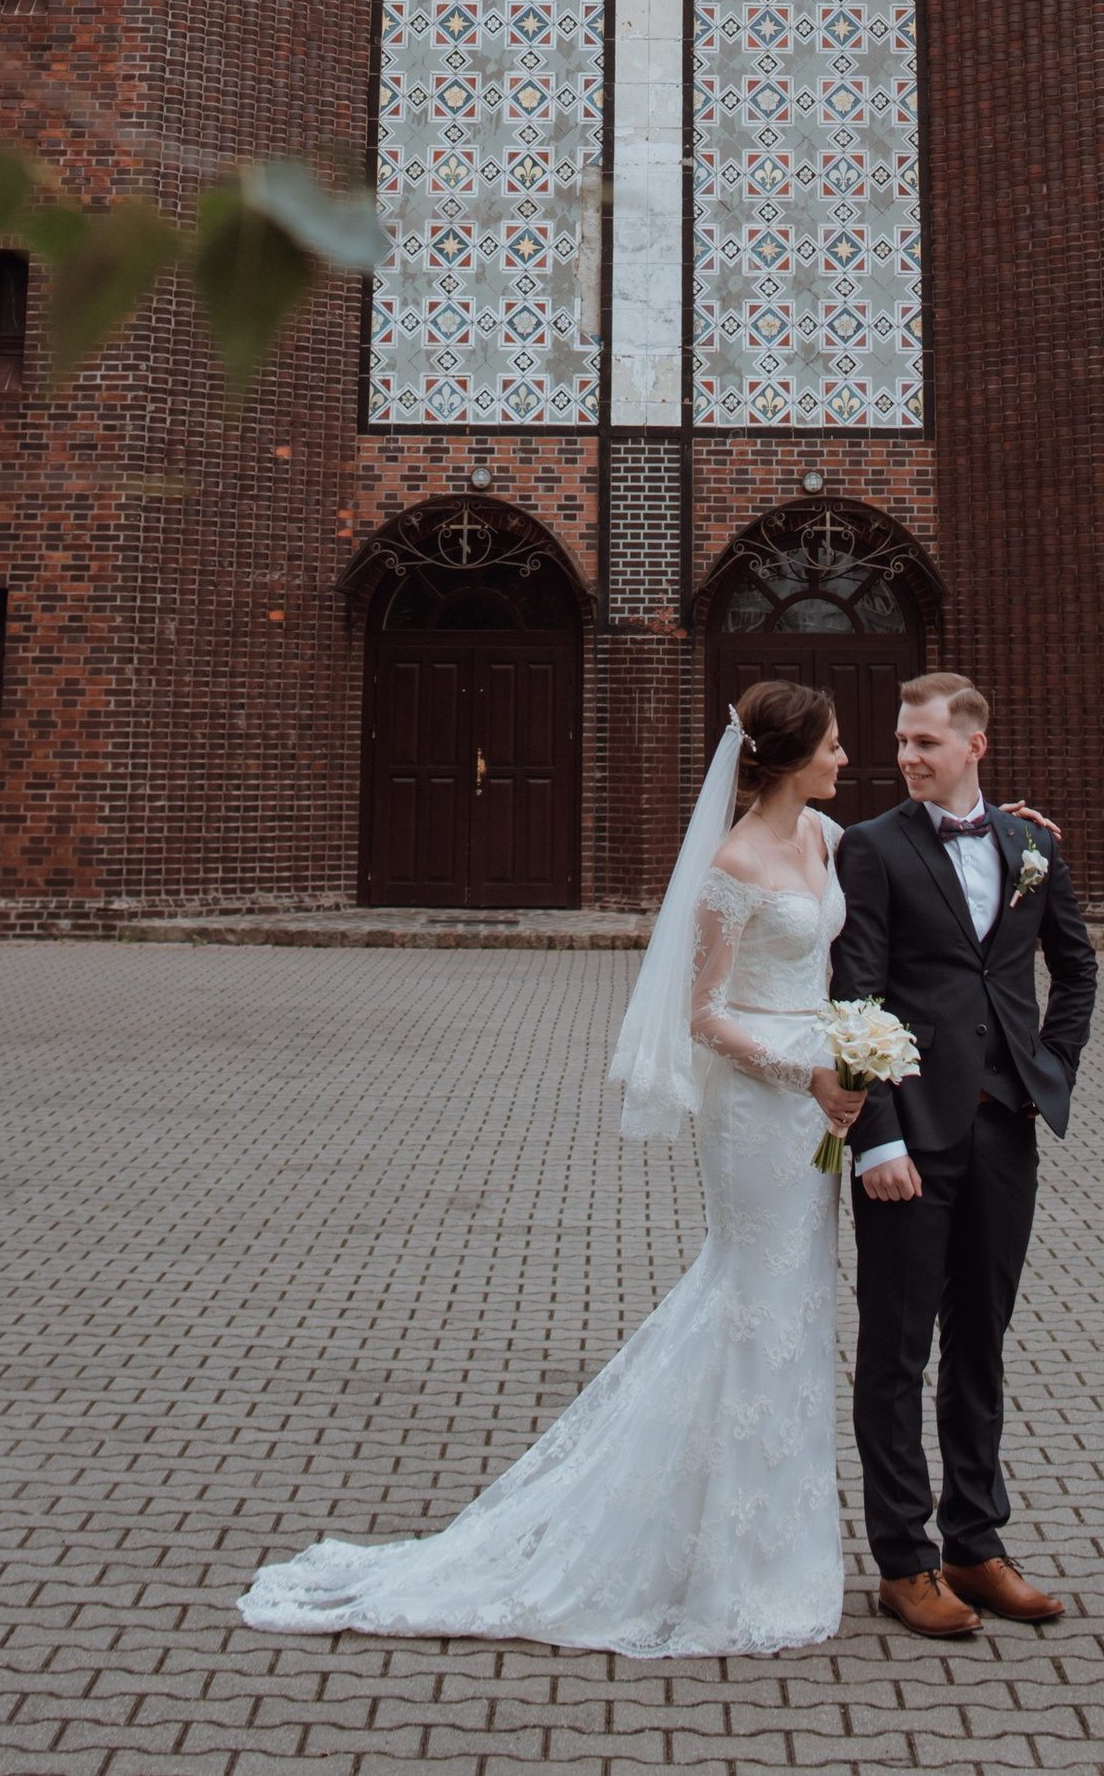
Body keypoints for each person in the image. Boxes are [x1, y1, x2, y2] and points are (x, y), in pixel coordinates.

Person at [238, 680, 866, 1658]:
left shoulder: (825, 840)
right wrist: (801, 1065)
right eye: (832, 744)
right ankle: (726, 1565)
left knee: (796, 1312)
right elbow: (702, 1012)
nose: (844, 758)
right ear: (788, 757)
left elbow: (874, 901)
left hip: (818, 1103)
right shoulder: (732, 863)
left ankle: (772, 1549)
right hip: (760, 1105)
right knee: (753, 1302)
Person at [829, 669, 1099, 1640]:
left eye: (923, 743)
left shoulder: (1030, 843)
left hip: (1002, 1129)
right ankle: (904, 1561)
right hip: (910, 1138)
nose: (905, 756)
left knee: (980, 1344)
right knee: (895, 1354)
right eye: (900, 741)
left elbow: (1074, 965)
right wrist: (877, 1135)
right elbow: (854, 995)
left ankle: (976, 1544)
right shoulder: (871, 848)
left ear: (973, 746)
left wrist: (1050, 1064)